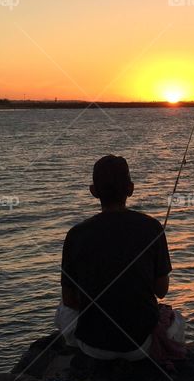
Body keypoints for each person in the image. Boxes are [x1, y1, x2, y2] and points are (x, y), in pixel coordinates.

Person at [55, 155, 185, 363]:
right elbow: (161, 291)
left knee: (61, 309)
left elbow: (69, 299)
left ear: (93, 191)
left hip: (92, 347)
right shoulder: (152, 228)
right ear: (131, 189)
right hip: (139, 346)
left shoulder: (75, 234)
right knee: (176, 318)